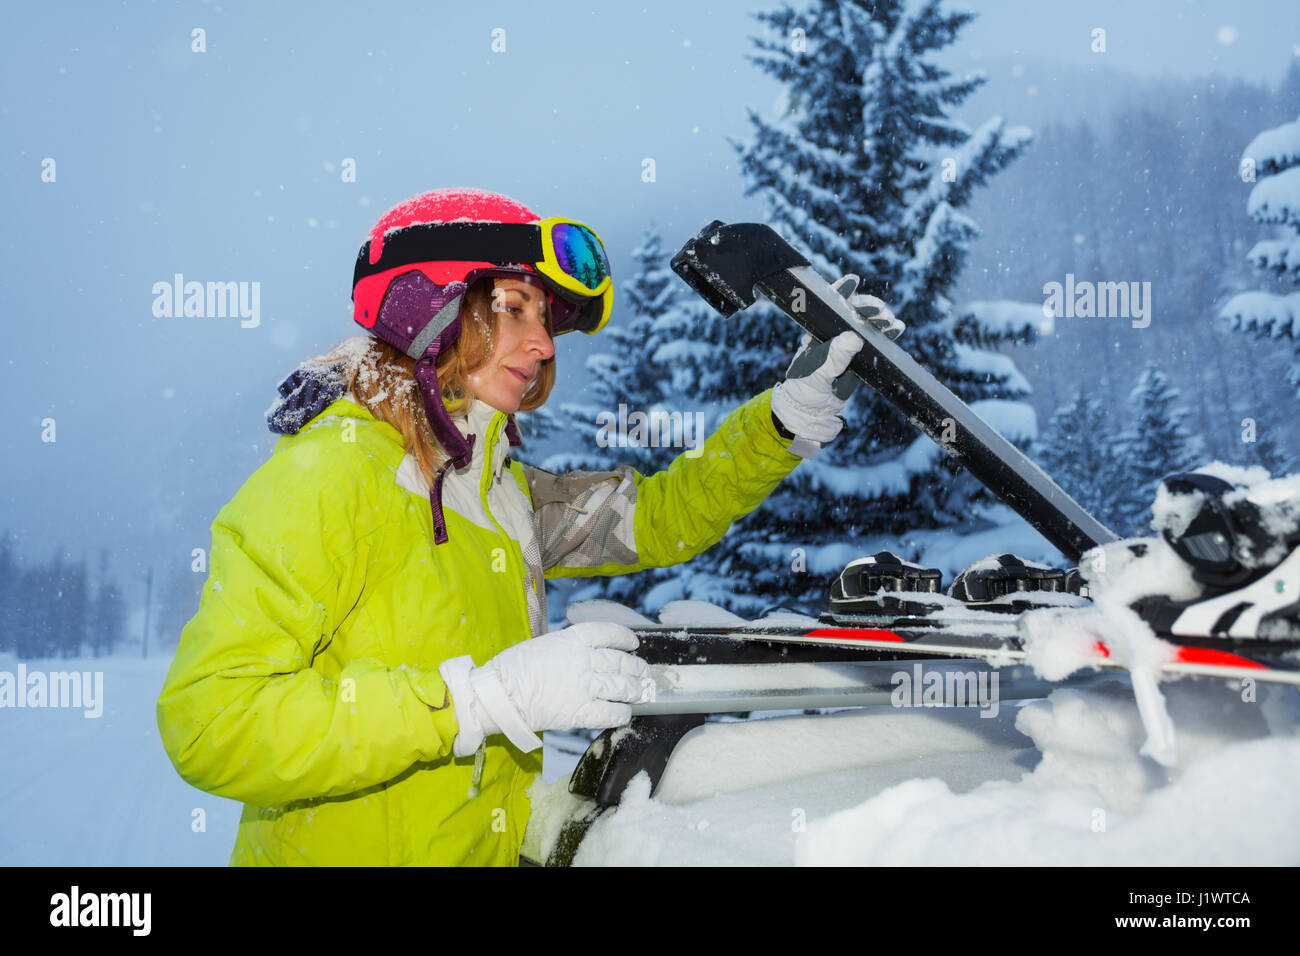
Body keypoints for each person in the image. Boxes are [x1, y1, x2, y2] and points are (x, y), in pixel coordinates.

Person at [156, 187, 896, 866]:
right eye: (514, 306)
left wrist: (786, 417)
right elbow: (213, 720)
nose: (543, 344)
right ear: (429, 304)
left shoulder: (497, 490)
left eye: (544, 320)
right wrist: (476, 702)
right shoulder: (331, 476)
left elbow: (657, 519)